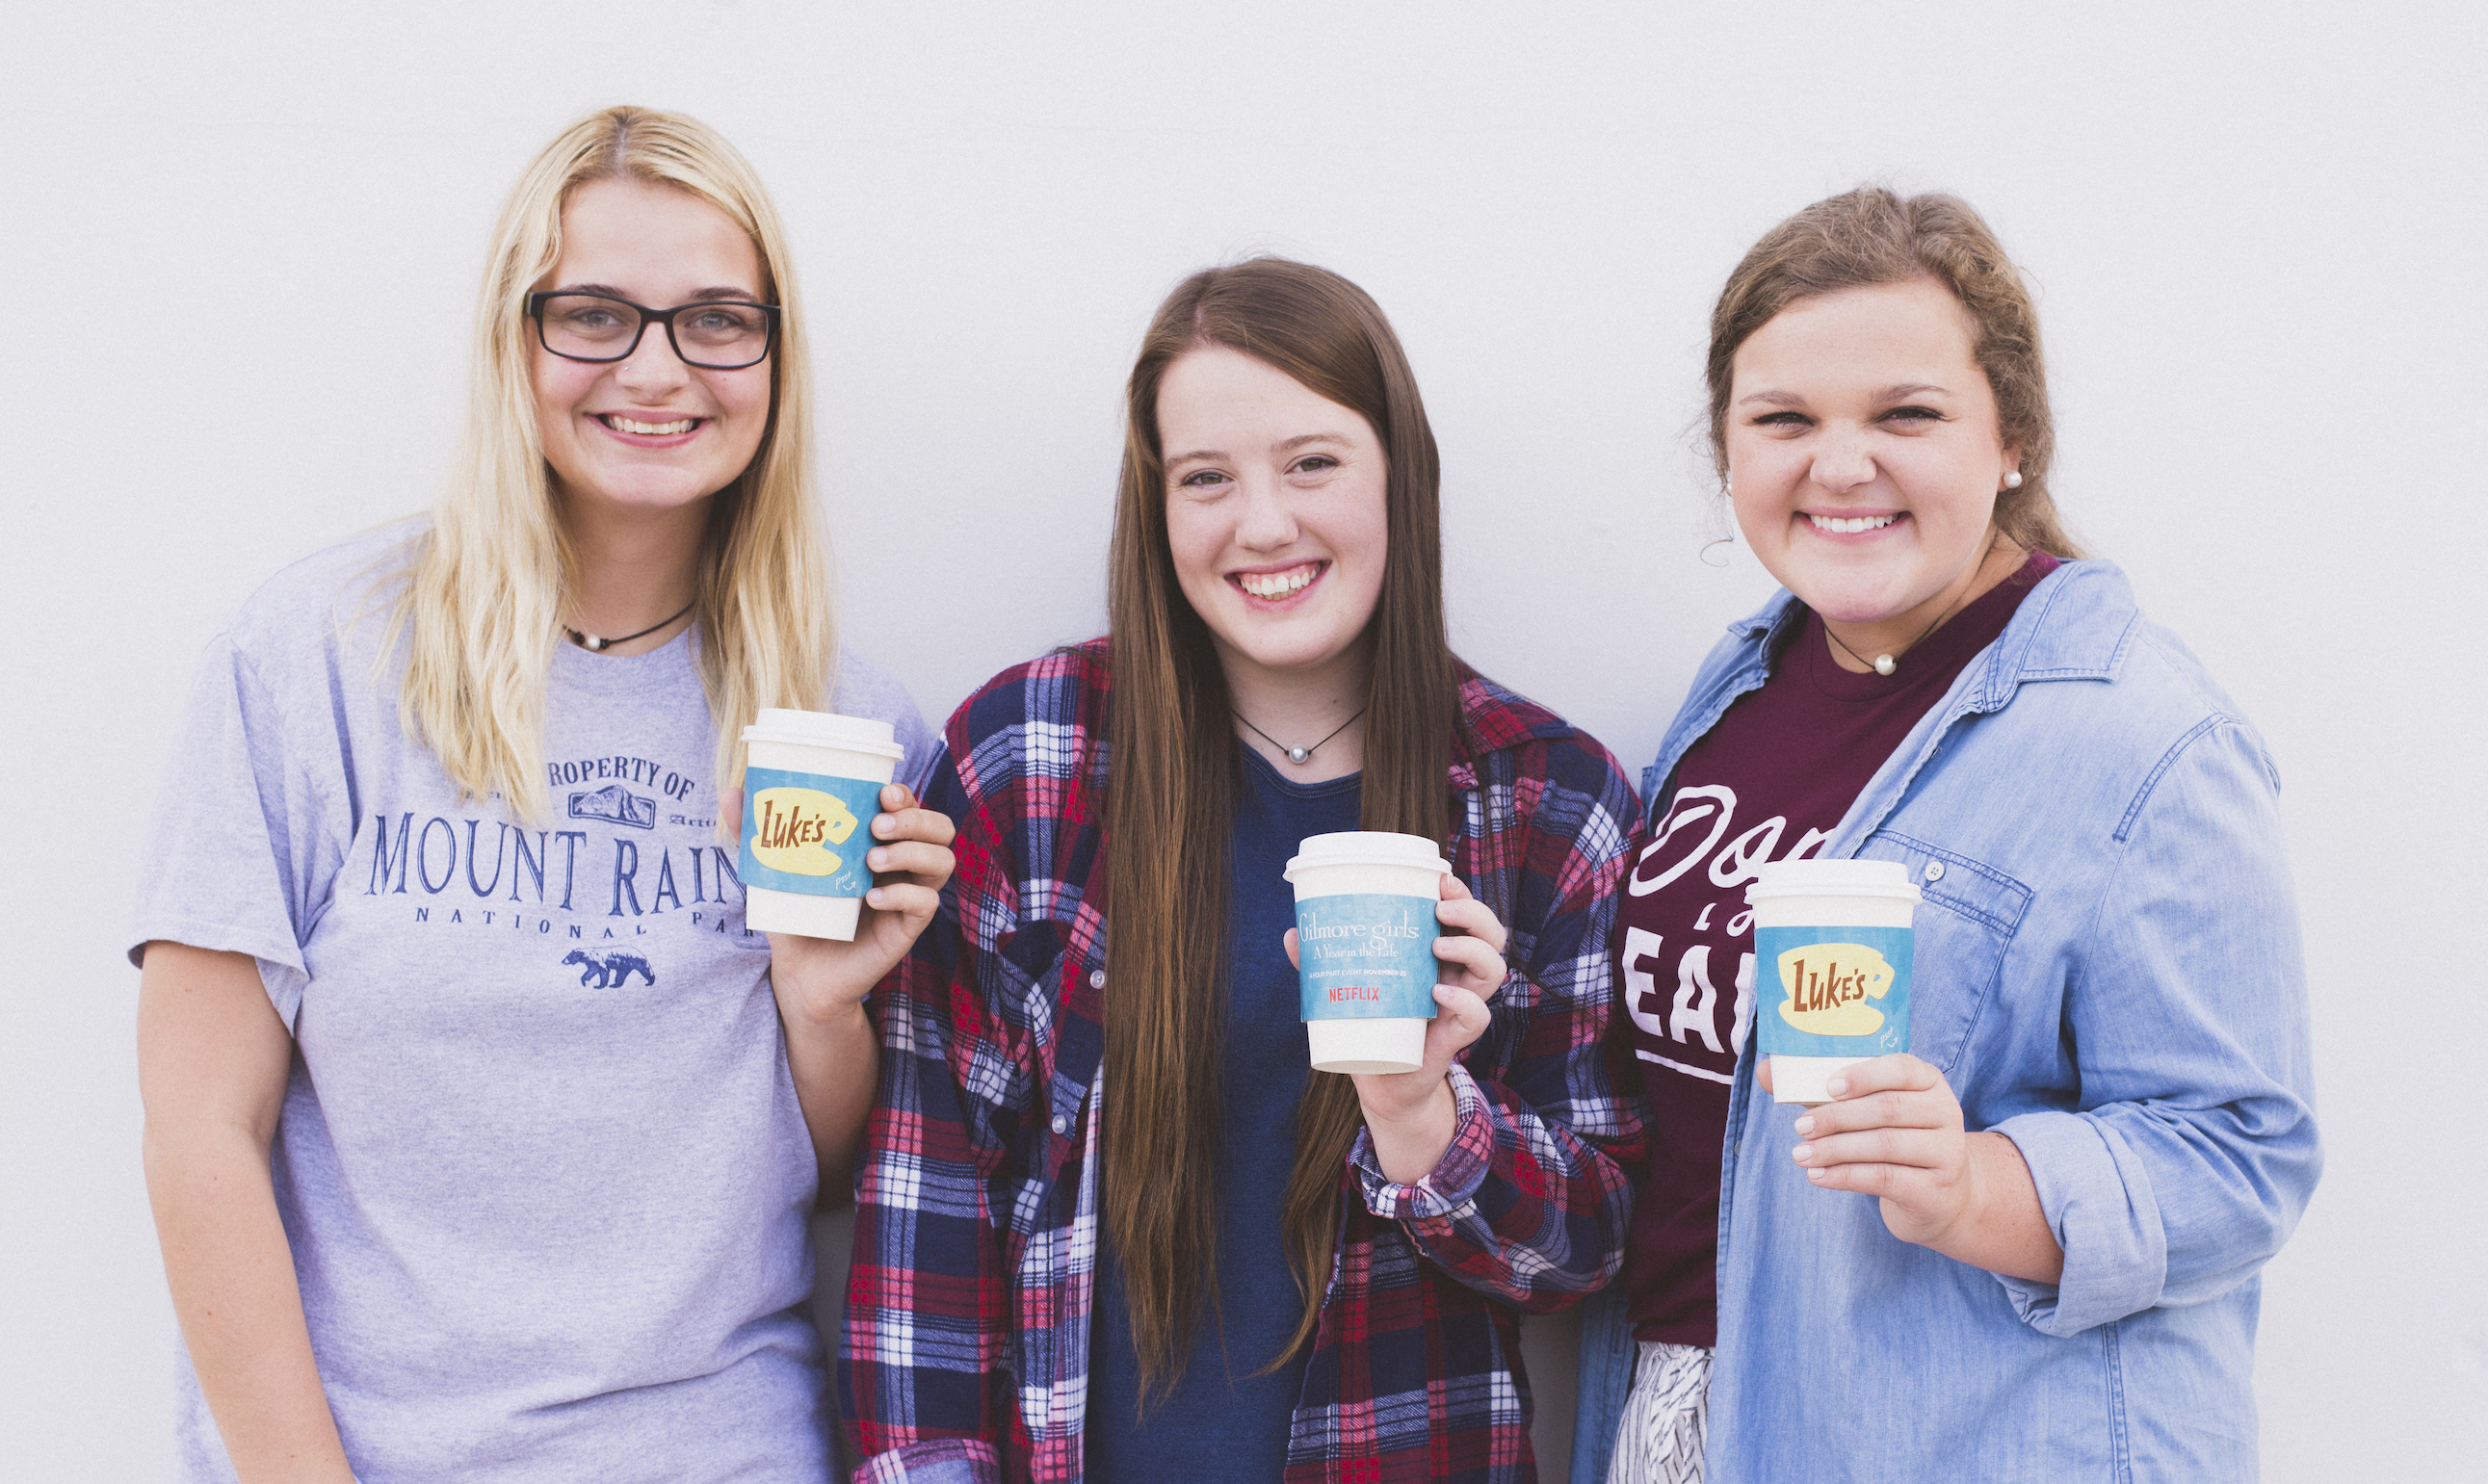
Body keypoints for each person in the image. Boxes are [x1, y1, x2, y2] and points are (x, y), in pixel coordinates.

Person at [131, 106, 957, 1483]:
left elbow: (825, 1186)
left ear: (772, 357)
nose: (655, 366)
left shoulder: (845, 728)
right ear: (511, 340)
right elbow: (200, 1126)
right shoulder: (315, 659)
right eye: (592, 314)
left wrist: (822, 1008)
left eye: (714, 318)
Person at [841, 258, 1644, 1483]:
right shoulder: (1028, 760)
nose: (1262, 523)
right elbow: (928, 1201)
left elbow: (1590, 1250)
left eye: (1312, 462)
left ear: (1398, 477)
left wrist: (1426, 1115)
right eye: (1205, 478)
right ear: (1156, 508)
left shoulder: (1548, 797)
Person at [1573, 188, 2321, 1484]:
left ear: (2011, 438)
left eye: (1904, 414)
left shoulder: (2145, 738)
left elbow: (2241, 1155)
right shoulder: (1740, 681)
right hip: (1684, 1410)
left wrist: (1976, 1182)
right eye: (1783, 419)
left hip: (1956, 1436)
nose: (1840, 462)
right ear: (1726, 449)